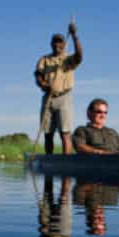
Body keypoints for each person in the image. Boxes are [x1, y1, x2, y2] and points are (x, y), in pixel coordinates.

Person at [35, 22, 83, 154]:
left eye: (60, 42)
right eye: (55, 42)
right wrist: (44, 85)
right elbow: (38, 76)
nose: (57, 44)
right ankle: (49, 161)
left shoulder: (68, 59)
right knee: (48, 134)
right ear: (51, 44)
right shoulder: (44, 60)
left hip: (64, 97)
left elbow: (80, 55)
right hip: (48, 98)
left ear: (64, 44)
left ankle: (65, 161)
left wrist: (74, 36)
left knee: (65, 133)